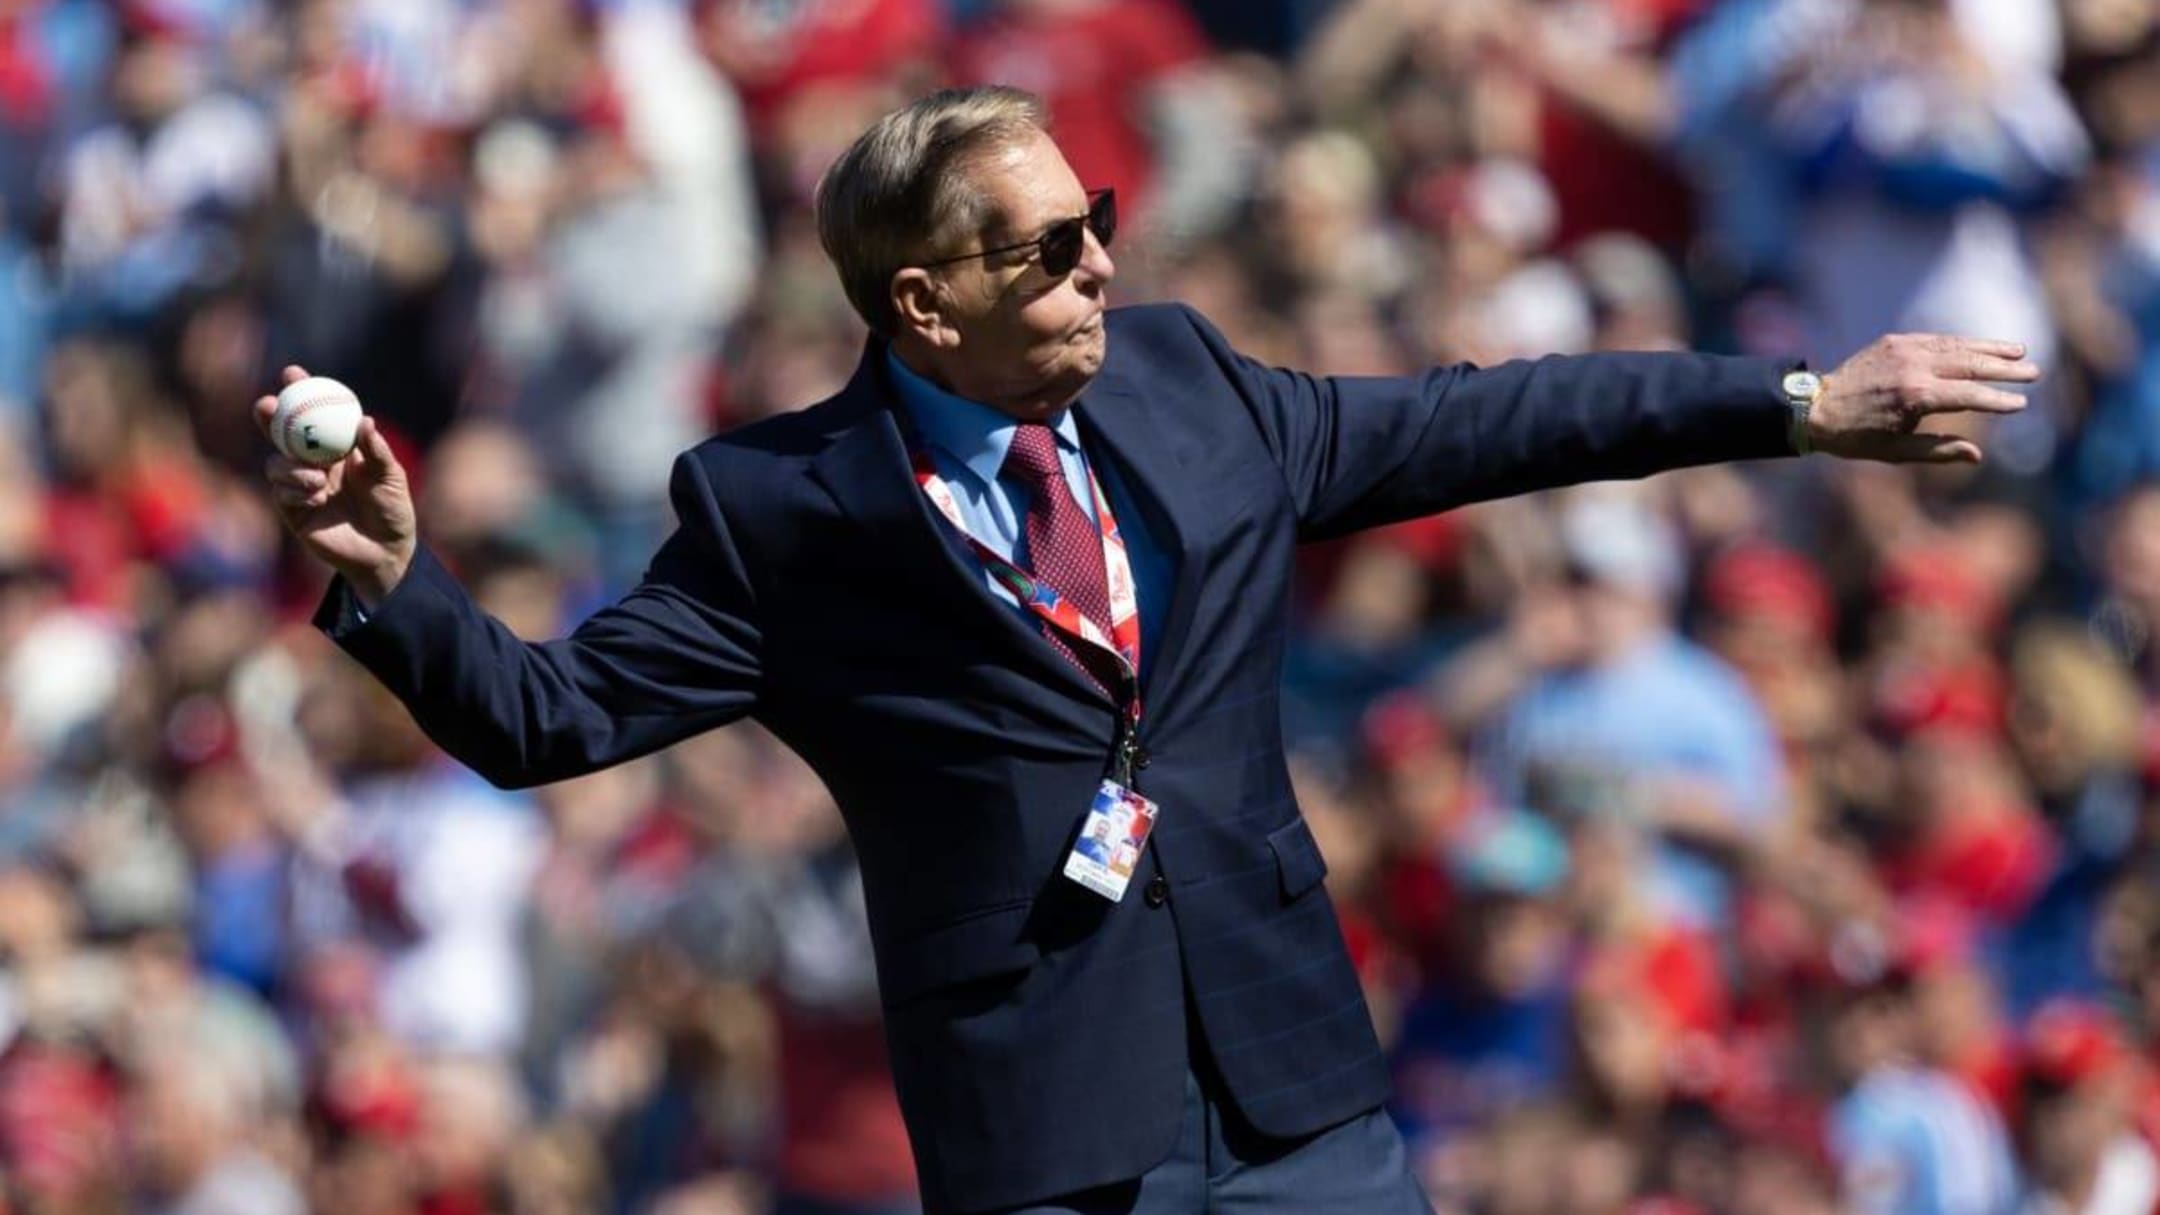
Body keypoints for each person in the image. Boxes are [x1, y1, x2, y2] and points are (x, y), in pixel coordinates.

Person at [254, 86, 2042, 1215]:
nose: (1099, 266)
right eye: (1045, 249)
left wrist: (1797, 402)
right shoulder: (776, 510)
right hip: (1049, 1135)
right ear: (922, 305)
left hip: (1297, 1095)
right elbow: (550, 719)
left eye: (1096, 220)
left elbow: (1500, 423)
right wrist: (395, 587)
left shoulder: (1191, 386)